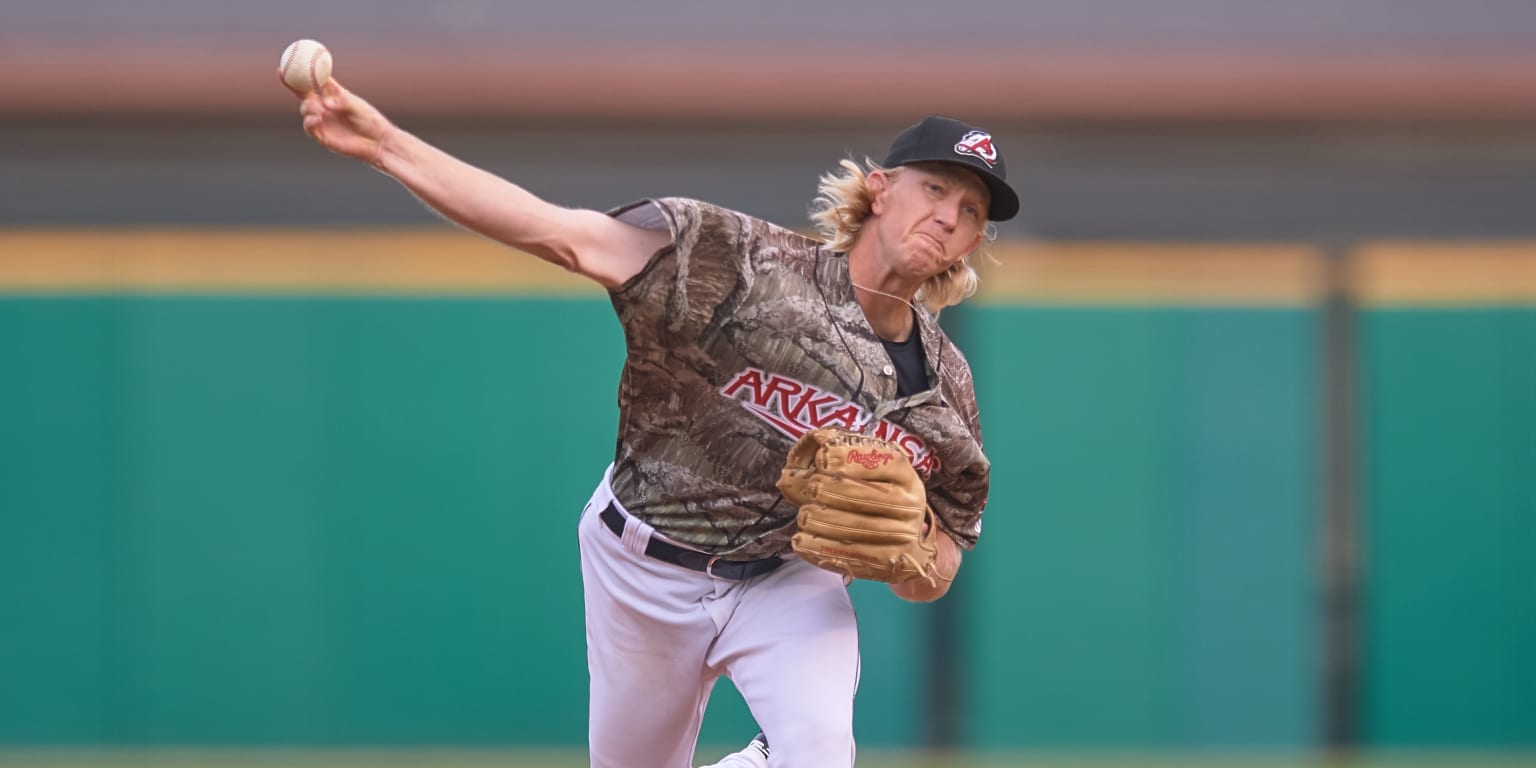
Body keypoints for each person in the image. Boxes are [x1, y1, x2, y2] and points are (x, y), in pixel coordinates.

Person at [282, 69, 1018, 768]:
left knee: (822, 755)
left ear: (975, 240)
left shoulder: (945, 387)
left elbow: (941, 560)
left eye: (970, 213)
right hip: (641, 565)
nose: (947, 217)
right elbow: (559, 234)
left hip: (784, 581)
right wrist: (386, 144)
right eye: (935, 189)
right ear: (880, 191)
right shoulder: (742, 265)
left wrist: (915, 553)